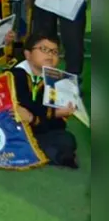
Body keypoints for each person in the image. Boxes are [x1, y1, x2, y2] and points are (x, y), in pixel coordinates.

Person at [10, 34, 79, 168]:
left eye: (55, 52)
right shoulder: (15, 74)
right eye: (44, 49)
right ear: (28, 54)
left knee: (67, 139)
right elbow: (23, 107)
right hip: (15, 129)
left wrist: (40, 117)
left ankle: (41, 152)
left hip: (39, 129)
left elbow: (57, 124)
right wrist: (52, 113)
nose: (50, 55)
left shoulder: (58, 80)